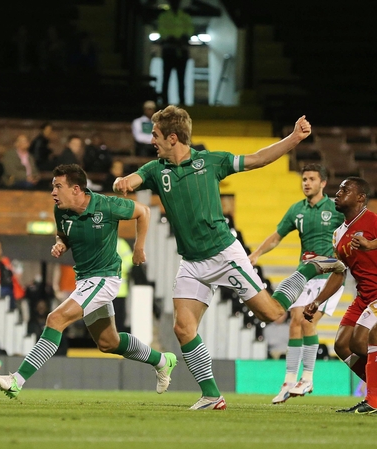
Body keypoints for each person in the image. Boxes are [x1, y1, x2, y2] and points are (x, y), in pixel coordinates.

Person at [113, 105, 341, 410]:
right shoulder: (156, 169)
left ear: (172, 137)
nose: (150, 141)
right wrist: (124, 182)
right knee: (183, 328)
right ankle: (212, 395)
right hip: (192, 263)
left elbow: (258, 158)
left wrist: (293, 139)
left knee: (272, 314)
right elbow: (135, 179)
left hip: (224, 254)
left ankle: (307, 269)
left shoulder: (211, 161)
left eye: (155, 135)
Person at [0, 164, 177, 399]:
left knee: (55, 318)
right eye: (53, 187)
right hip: (86, 281)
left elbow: (144, 212)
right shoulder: (61, 211)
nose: (53, 192)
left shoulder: (107, 205)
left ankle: (16, 380)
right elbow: (63, 234)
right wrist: (61, 243)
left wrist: (139, 248)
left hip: (105, 278)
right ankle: (162, 361)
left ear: (76, 189)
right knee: (109, 342)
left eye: (58, 186)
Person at [248, 164, 345, 404]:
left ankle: (309, 377)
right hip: (305, 275)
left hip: (329, 275)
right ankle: (289, 381)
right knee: (294, 324)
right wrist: (257, 254)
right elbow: (277, 236)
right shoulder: (296, 210)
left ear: (323, 183)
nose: (306, 183)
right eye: (304, 179)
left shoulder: (335, 208)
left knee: (306, 320)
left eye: (312, 179)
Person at [303, 177, 377, 413]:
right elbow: (339, 273)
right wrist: (317, 300)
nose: (338, 192)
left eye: (345, 189)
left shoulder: (372, 220)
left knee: (361, 340)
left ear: (360, 198)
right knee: (342, 345)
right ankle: (375, 393)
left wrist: (371, 245)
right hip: (364, 295)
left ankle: (374, 400)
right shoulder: (337, 235)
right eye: (339, 189)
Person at [157, 0, 194, 105]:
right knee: (166, 77)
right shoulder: (164, 16)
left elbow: (189, 29)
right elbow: (161, 30)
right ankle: (164, 102)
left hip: (181, 50)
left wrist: (183, 38)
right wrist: (170, 38)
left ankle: (182, 102)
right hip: (169, 49)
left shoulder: (185, 16)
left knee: (181, 78)